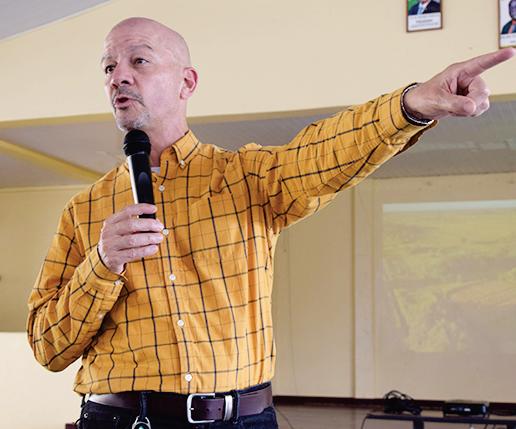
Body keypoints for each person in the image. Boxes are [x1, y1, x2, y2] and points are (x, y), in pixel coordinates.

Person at [26, 16, 513, 429]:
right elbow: (48, 348)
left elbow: (324, 151)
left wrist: (410, 105)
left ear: (187, 82)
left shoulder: (247, 177)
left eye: (139, 60)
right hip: (120, 419)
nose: (118, 77)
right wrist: (103, 263)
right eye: (108, 67)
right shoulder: (84, 211)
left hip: (241, 420)